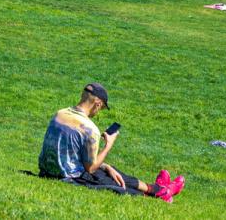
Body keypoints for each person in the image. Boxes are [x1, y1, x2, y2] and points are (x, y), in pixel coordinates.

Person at [38, 83, 183, 202]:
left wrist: (106, 166)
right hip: (68, 177)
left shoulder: (60, 113)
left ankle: (156, 189)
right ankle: (160, 192)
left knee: (110, 171)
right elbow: (91, 168)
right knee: (114, 183)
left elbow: (72, 154)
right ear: (97, 103)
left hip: (48, 171)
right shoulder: (89, 129)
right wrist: (109, 145)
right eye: (101, 108)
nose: (98, 111)